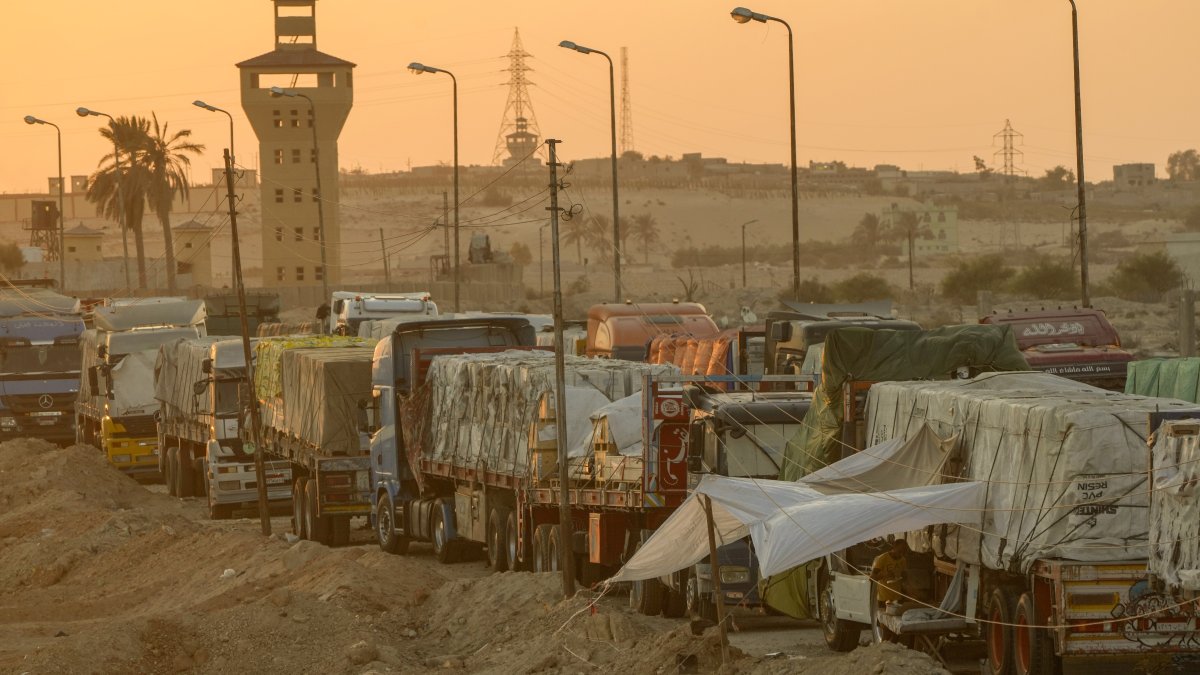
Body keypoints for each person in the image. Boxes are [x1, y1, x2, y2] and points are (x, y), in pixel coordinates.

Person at [870, 538, 909, 607]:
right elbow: (872, 578)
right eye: (899, 551)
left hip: (897, 598)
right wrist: (884, 574)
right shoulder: (883, 558)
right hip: (883, 599)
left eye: (904, 552)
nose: (901, 554)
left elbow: (905, 576)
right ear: (894, 547)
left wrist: (903, 579)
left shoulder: (903, 560)